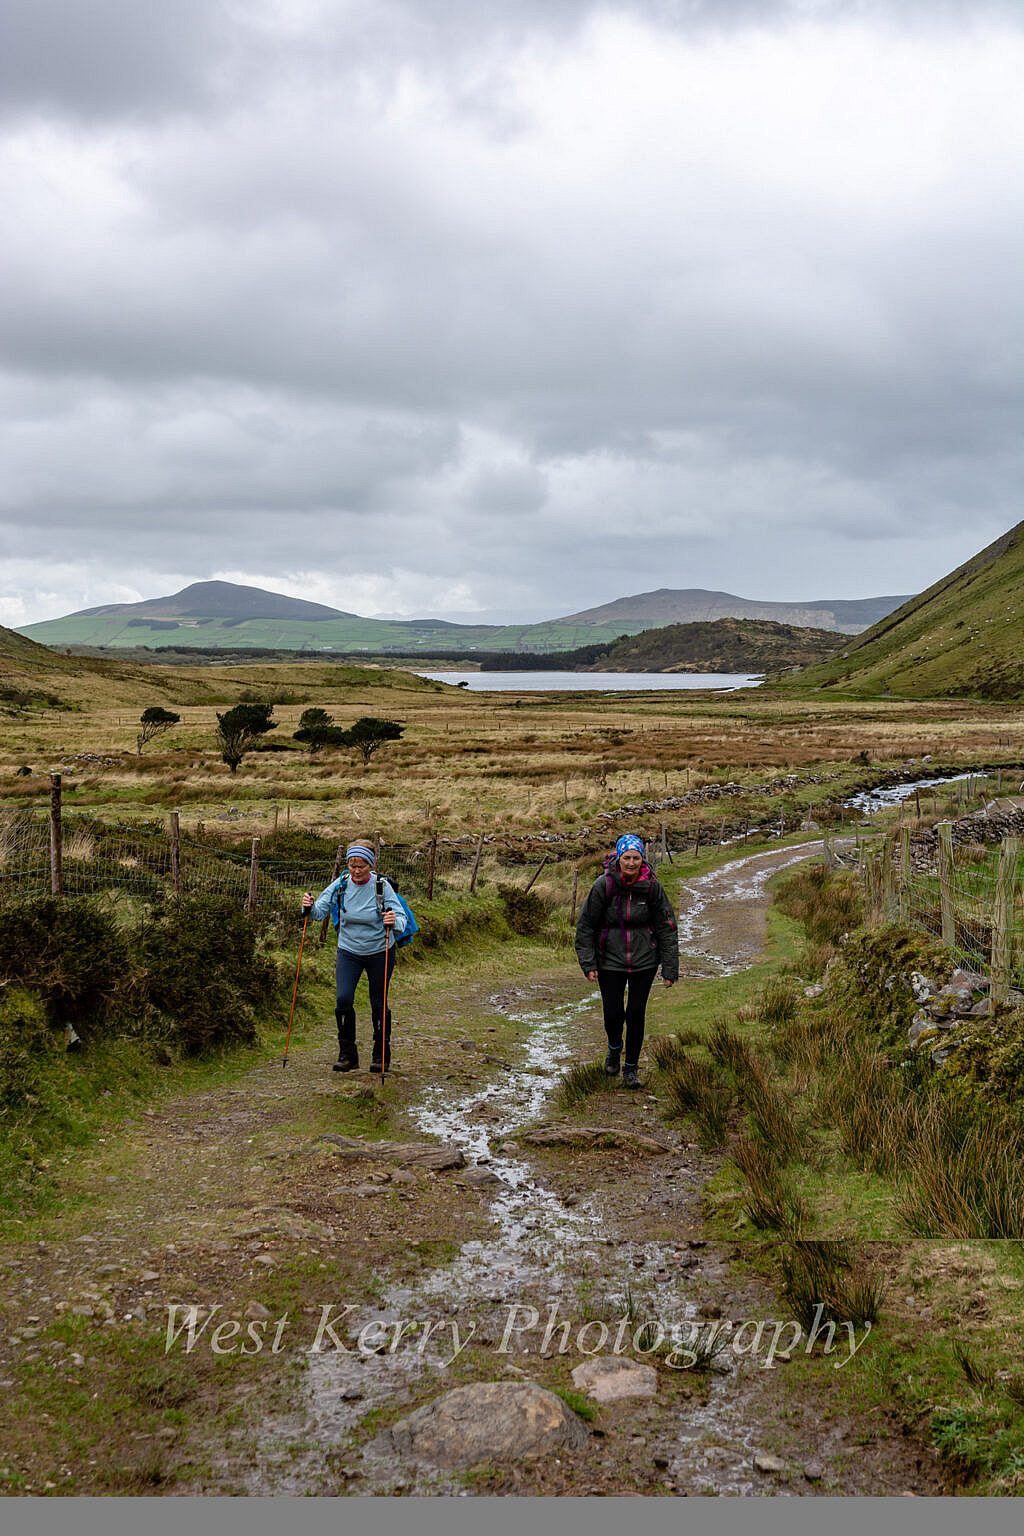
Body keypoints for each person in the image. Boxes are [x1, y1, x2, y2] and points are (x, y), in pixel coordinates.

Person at [574, 833, 678, 1088]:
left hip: (644, 959)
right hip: (609, 959)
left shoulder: (653, 887)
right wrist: (588, 963)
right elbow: (586, 926)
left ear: (643, 859)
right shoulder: (603, 885)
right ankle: (613, 1047)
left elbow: (666, 927)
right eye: (627, 858)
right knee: (613, 1013)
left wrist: (669, 968)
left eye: (636, 858)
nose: (631, 863)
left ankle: (631, 1068)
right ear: (618, 858)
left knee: (635, 1013)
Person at [302, 842, 407, 1073]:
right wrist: (308, 907)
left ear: (370, 865)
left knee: (378, 1003)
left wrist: (393, 922)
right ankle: (347, 1055)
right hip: (348, 950)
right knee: (343, 999)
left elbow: (400, 917)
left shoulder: (382, 887)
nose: (356, 871)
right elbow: (320, 912)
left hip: (381, 951)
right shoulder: (340, 884)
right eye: (352, 865)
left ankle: (381, 1055)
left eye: (361, 866)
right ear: (347, 864)